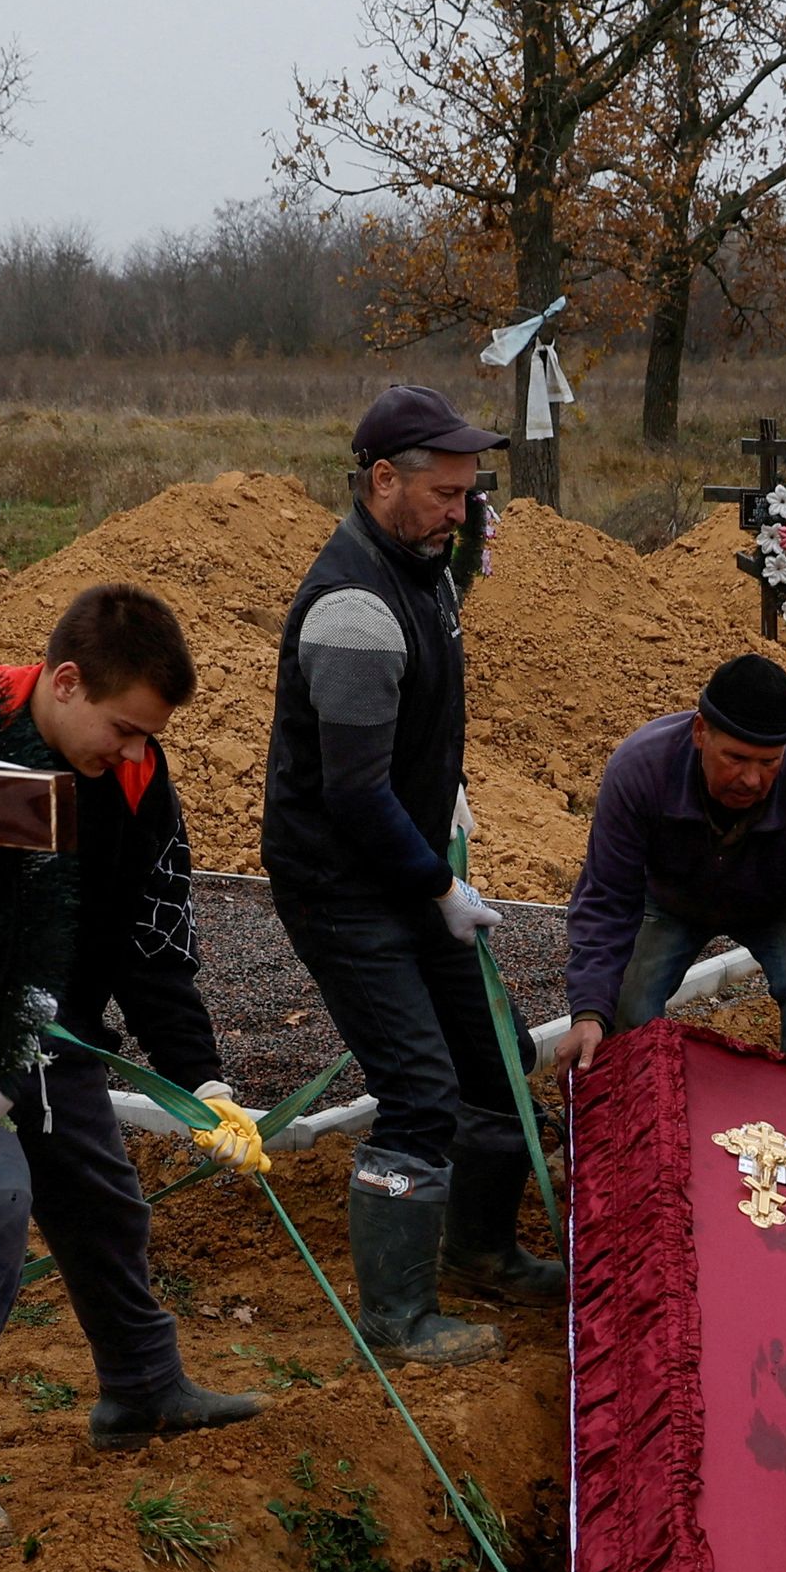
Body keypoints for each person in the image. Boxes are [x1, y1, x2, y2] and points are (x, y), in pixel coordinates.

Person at [0, 585, 274, 1562]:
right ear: (63, 682)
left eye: (149, 735)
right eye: (121, 728)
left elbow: (152, 944)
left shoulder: (137, 781)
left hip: (49, 1033)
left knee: (101, 1194)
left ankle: (141, 1385)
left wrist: (204, 1083)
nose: (134, 751)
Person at [260, 384, 559, 1362]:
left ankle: (475, 1248)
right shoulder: (352, 607)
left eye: (471, 492)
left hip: (402, 859)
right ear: (382, 480)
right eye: (444, 492)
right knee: (421, 1087)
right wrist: (438, 885)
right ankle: (395, 1317)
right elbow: (350, 794)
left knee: (501, 1061)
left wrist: (444, 808)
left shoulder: (423, 563)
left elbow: (409, 730)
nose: (461, 510)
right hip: (343, 885)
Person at [551, 653, 786, 1078]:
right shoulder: (641, 770)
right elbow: (607, 900)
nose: (752, 780)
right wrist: (588, 1011)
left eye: (769, 763)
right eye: (736, 758)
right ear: (699, 732)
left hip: (777, 907)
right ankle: (631, 1114)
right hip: (669, 900)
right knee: (624, 1004)